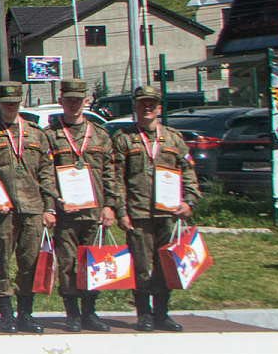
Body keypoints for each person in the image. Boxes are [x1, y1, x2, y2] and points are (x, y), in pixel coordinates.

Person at [113, 85, 199, 332]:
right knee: (141, 266)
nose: (147, 108)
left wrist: (189, 201)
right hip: (138, 213)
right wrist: (121, 210)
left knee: (165, 265)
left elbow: (188, 171)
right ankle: (144, 314)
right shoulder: (124, 138)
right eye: (142, 104)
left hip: (168, 214)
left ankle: (162, 313)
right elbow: (116, 178)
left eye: (151, 104)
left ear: (159, 108)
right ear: (135, 108)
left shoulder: (173, 138)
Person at [0, 80, 58, 333]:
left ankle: (26, 313)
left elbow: (47, 173)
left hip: (33, 209)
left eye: (14, 103)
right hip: (3, 211)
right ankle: (6, 314)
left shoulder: (37, 134)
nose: (10, 107)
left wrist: (50, 207)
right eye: (6, 103)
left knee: (30, 262)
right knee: (1, 260)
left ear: (20, 103)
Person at [48, 78, 122, 333]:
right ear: (60, 101)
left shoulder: (100, 135)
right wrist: (53, 202)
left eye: (77, 100)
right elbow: (45, 174)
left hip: (94, 211)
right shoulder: (50, 136)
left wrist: (110, 205)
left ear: (86, 101)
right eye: (68, 99)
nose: (73, 104)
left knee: (93, 262)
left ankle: (90, 312)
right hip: (66, 213)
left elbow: (110, 173)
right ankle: (72, 314)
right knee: (68, 264)